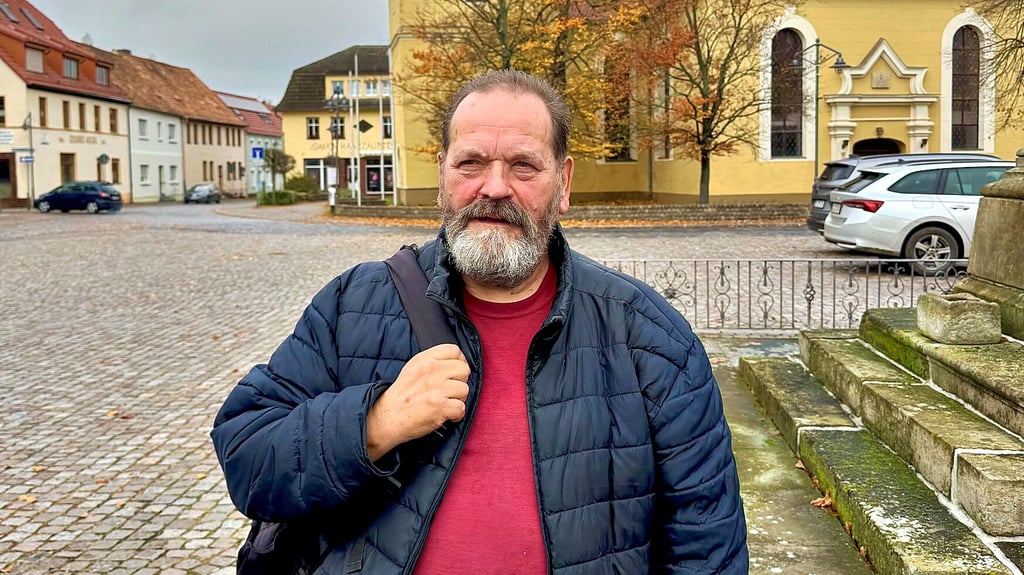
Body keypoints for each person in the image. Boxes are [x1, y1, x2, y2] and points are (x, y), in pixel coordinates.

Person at [211, 69, 748, 574]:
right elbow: (248, 458)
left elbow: (706, 544)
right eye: (471, 163)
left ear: (563, 182)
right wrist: (373, 424)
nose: (494, 187)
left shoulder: (648, 338)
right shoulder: (353, 304)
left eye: (523, 165)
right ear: (444, 173)